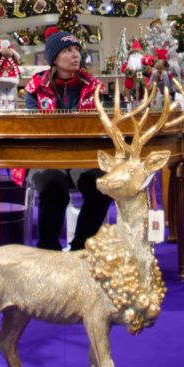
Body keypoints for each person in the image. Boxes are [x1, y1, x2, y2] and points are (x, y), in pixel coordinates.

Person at [22, 30, 108, 251]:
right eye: (67, 50)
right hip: (46, 156)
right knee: (52, 186)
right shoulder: (36, 88)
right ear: (54, 58)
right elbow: (33, 128)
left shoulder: (94, 87)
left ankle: (80, 249)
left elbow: (104, 124)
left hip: (84, 156)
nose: (75, 54)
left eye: (76, 49)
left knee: (101, 187)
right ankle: (48, 250)